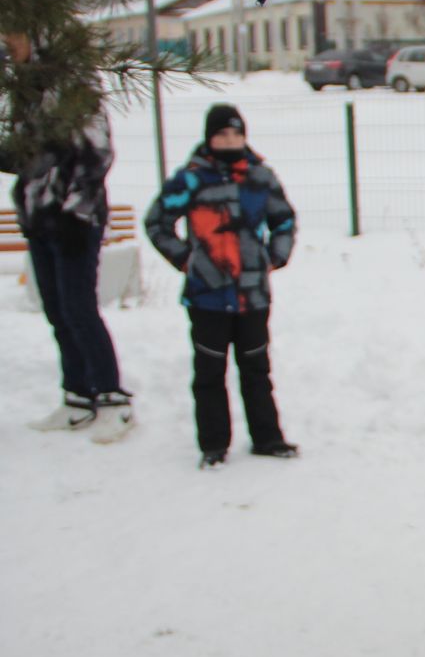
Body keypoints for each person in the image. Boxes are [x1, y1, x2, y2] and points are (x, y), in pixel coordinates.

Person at [143, 104, 298, 467]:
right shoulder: (191, 179)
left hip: (252, 294)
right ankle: (213, 444)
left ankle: (267, 437)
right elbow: (157, 222)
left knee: (256, 368)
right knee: (210, 372)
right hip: (207, 296)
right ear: (209, 138)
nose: (229, 141)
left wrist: (273, 257)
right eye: (222, 135)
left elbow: (284, 220)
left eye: (235, 134)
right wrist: (186, 259)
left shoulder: (260, 177)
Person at [5, 33, 133, 440]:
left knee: (79, 309)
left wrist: (75, 212)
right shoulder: (26, 90)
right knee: (56, 309)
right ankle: (78, 396)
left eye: (14, 36)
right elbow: (30, 156)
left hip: (75, 220)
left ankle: (113, 398)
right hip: (38, 217)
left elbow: (98, 152)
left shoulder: (74, 84)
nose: (9, 44)